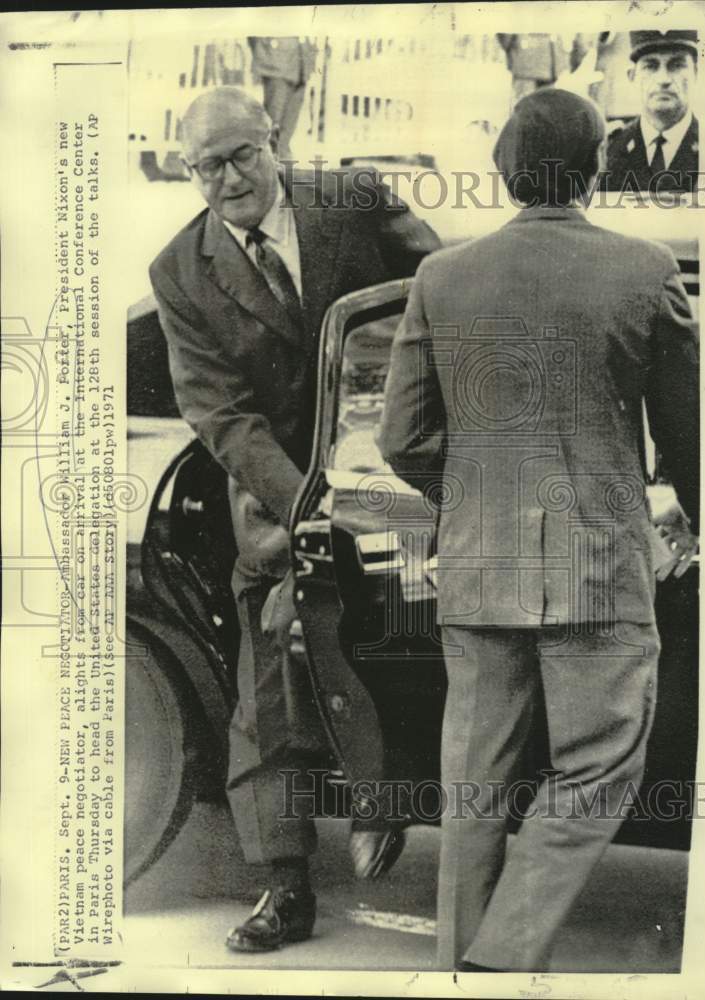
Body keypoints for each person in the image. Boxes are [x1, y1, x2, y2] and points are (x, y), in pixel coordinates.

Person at [379, 87, 699, 971]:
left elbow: (401, 436)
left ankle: (464, 972)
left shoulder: (442, 275)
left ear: (504, 172)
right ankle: (501, 957)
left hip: (479, 573)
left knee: (472, 793)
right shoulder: (643, 271)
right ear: (596, 168)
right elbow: (689, 437)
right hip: (600, 567)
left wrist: (479, 495)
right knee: (596, 771)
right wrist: (703, 523)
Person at [149, 86, 439, 953]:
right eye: (207, 166)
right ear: (188, 173)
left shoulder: (353, 199)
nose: (229, 178)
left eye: (242, 154)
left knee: (410, 654)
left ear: (275, 140)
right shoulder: (180, 269)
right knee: (267, 695)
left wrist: (399, 445)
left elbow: (441, 299)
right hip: (279, 505)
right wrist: (308, 499)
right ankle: (283, 887)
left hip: (396, 483)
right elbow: (221, 414)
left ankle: (391, 806)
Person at [603, 29, 699, 193]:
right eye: (650, 66)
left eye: (676, 65)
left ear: (695, 73)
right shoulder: (609, 149)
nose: (663, 80)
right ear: (632, 76)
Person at [247, 36, 317, 160]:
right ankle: (265, 160)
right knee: (273, 120)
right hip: (276, 62)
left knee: (290, 121)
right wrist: (267, 51)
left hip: (301, 64)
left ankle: (281, 157)